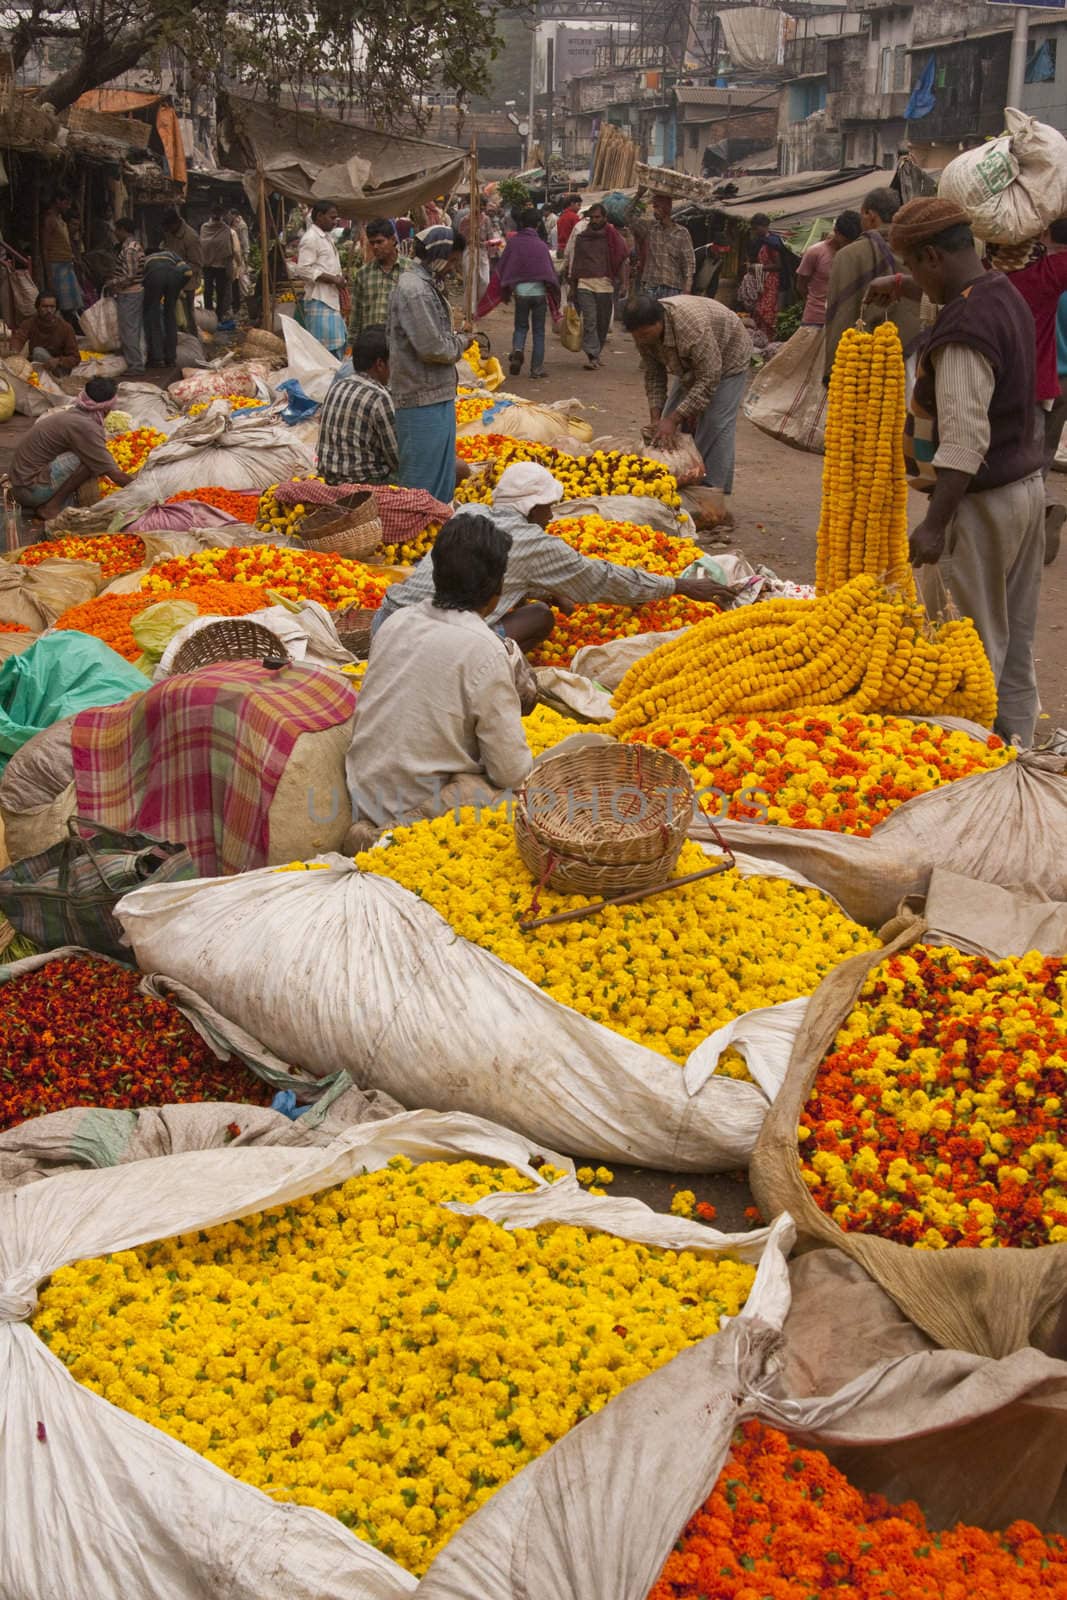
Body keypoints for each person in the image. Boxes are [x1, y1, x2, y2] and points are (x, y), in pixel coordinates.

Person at [890, 197, 1045, 748]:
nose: (913, 279)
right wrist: (908, 290)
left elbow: (963, 439)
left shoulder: (964, 327)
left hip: (977, 505)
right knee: (1014, 638)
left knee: (966, 648)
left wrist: (935, 523)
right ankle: (1020, 749)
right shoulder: (1003, 295)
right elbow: (949, 301)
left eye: (911, 267)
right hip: (1025, 491)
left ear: (931, 255)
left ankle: (975, 761)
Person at [374, 461, 733, 653]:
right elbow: (602, 579)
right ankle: (502, 666)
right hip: (434, 647)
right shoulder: (533, 542)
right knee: (540, 617)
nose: (552, 517)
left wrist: (543, 585)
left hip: (386, 625)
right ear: (532, 508)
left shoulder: (469, 512)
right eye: (548, 508)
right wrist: (678, 585)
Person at [346, 512, 533, 834]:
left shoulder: (397, 621)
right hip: (414, 806)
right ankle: (385, 836)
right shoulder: (484, 650)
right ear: (497, 589)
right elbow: (510, 772)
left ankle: (374, 828)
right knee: (522, 798)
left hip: (361, 790)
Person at [987, 225, 1067, 564]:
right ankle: (1037, 515)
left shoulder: (988, 283)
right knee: (1039, 458)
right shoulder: (1048, 277)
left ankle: (1030, 519)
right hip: (1048, 386)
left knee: (1008, 465)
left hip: (1003, 388)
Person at [623, 292, 753, 495]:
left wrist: (674, 419)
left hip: (729, 356)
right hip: (687, 364)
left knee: (715, 422)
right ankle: (679, 477)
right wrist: (657, 417)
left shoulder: (691, 329)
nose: (642, 340)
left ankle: (713, 490)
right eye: (637, 336)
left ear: (660, 321)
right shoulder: (644, 335)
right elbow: (654, 374)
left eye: (646, 334)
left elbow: (709, 378)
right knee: (665, 421)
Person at [387, 224, 467, 502]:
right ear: (440, 254)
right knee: (421, 483)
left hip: (435, 392)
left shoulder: (425, 284)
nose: (453, 268)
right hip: (421, 395)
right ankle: (419, 536)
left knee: (441, 474)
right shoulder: (415, 290)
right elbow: (432, 347)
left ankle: (437, 534)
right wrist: (461, 343)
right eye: (453, 260)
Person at [824, 187, 920, 377]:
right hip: (911, 356)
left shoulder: (848, 255)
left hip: (859, 361)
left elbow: (840, 314)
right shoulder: (916, 250)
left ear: (869, 214)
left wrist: (834, 367)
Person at [9, 377, 133, 523]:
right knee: (90, 461)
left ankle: (56, 502)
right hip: (30, 490)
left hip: (20, 484)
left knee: (92, 456)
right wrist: (139, 490)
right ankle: (51, 507)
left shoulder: (74, 415)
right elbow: (115, 475)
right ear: (106, 409)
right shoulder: (86, 426)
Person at [316, 327, 398, 486]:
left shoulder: (338, 386)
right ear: (380, 364)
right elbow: (397, 459)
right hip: (364, 484)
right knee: (433, 471)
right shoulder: (379, 397)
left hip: (329, 480)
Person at [497, 209, 560, 379]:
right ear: (538, 224)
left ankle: (518, 350)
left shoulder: (513, 243)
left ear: (521, 223)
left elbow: (503, 266)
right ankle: (536, 369)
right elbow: (550, 272)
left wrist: (506, 290)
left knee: (520, 327)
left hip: (521, 293)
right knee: (539, 332)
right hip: (539, 293)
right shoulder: (541, 245)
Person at [565, 202, 629, 370]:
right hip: (585, 284)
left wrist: (624, 283)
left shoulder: (613, 236)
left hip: (606, 285)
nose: (594, 220)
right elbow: (576, 262)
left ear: (604, 218)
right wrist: (572, 286)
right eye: (591, 217)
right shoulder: (582, 237)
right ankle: (592, 355)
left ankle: (597, 353)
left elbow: (622, 258)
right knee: (590, 321)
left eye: (597, 217)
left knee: (602, 323)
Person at [298, 201, 347, 358]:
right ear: (319, 216)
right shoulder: (311, 238)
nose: (335, 221)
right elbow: (303, 270)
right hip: (319, 300)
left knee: (335, 347)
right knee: (324, 352)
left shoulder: (325, 237)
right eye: (332, 217)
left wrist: (338, 278)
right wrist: (334, 279)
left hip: (329, 300)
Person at [796, 211, 862, 327]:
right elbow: (801, 285)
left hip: (845, 319)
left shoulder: (855, 253)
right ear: (836, 232)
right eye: (846, 240)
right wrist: (816, 304)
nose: (849, 244)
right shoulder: (815, 252)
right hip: (816, 320)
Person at [349, 218, 411, 342]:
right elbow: (356, 315)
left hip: (400, 344)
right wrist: (352, 344)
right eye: (372, 243)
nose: (375, 247)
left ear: (393, 240)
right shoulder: (364, 273)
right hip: (370, 344)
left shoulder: (410, 270)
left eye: (380, 242)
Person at [628, 188, 696, 299]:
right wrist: (638, 195)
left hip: (673, 288)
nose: (654, 210)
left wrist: (687, 288)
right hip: (650, 286)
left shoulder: (682, 233)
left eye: (657, 207)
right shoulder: (651, 229)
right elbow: (627, 217)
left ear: (667, 208)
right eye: (654, 207)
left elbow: (689, 264)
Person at [142, 247, 193, 369]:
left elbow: (142, 281)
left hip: (154, 278)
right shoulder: (172, 254)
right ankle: (171, 358)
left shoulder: (145, 260)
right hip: (174, 277)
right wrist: (179, 287)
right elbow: (188, 272)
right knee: (170, 315)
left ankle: (157, 358)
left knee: (152, 316)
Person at [107, 217, 146, 376]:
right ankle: (135, 360)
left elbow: (130, 275)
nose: (115, 233)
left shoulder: (129, 249)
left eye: (116, 230)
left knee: (128, 330)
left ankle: (135, 365)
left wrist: (113, 282)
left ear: (123, 230)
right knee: (133, 328)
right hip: (133, 293)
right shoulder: (134, 245)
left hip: (129, 293)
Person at [41, 194, 83, 331]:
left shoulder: (60, 220)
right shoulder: (50, 220)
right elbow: (46, 248)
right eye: (66, 203)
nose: (68, 206)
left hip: (66, 266)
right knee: (62, 305)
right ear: (58, 201)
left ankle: (67, 333)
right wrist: (49, 274)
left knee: (71, 305)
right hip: (57, 267)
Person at [12, 292, 80, 375]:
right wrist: (14, 351)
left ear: (56, 308)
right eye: (44, 306)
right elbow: (19, 337)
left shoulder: (66, 328)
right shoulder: (30, 323)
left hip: (58, 367)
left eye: (52, 307)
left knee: (38, 352)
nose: (49, 310)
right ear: (38, 307)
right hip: (36, 362)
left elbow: (75, 358)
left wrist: (58, 361)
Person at [743, 213, 784, 341]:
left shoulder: (773, 243)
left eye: (756, 228)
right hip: (763, 282)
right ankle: (759, 338)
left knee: (766, 311)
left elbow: (778, 265)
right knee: (758, 310)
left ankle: (768, 338)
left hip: (771, 282)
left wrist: (758, 267)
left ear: (764, 226)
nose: (755, 231)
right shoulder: (761, 242)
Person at [160, 208, 202, 331]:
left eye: (168, 227)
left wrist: (179, 270)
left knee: (187, 316)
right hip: (172, 280)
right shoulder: (169, 233)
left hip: (187, 284)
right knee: (174, 316)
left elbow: (197, 264)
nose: (166, 231)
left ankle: (192, 341)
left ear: (175, 223)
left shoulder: (191, 237)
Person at [200, 205, 235, 323]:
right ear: (211, 215)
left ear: (221, 216)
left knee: (220, 292)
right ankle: (209, 315)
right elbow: (202, 245)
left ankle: (218, 316)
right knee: (208, 291)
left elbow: (228, 248)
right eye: (215, 214)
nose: (216, 217)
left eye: (218, 214)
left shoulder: (225, 229)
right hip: (208, 265)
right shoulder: (204, 228)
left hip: (221, 265)